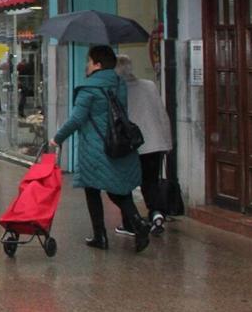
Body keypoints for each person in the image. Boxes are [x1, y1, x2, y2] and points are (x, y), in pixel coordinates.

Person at [50, 45, 150, 253]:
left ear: (97, 64)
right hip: (119, 143)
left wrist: (57, 138)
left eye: (88, 61)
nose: (86, 66)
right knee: (119, 188)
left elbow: (77, 119)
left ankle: (100, 235)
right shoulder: (119, 84)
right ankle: (137, 223)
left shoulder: (89, 89)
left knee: (93, 190)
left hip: (96, 148)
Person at [116, 54, 172, 236]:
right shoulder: (149, 85)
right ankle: (156, 213)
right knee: (150, 182)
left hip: (132, 145)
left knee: (125, 184)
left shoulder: (119, 90)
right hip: (154, 143)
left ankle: (130, 222)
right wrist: (167, 141)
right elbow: (161, 113)